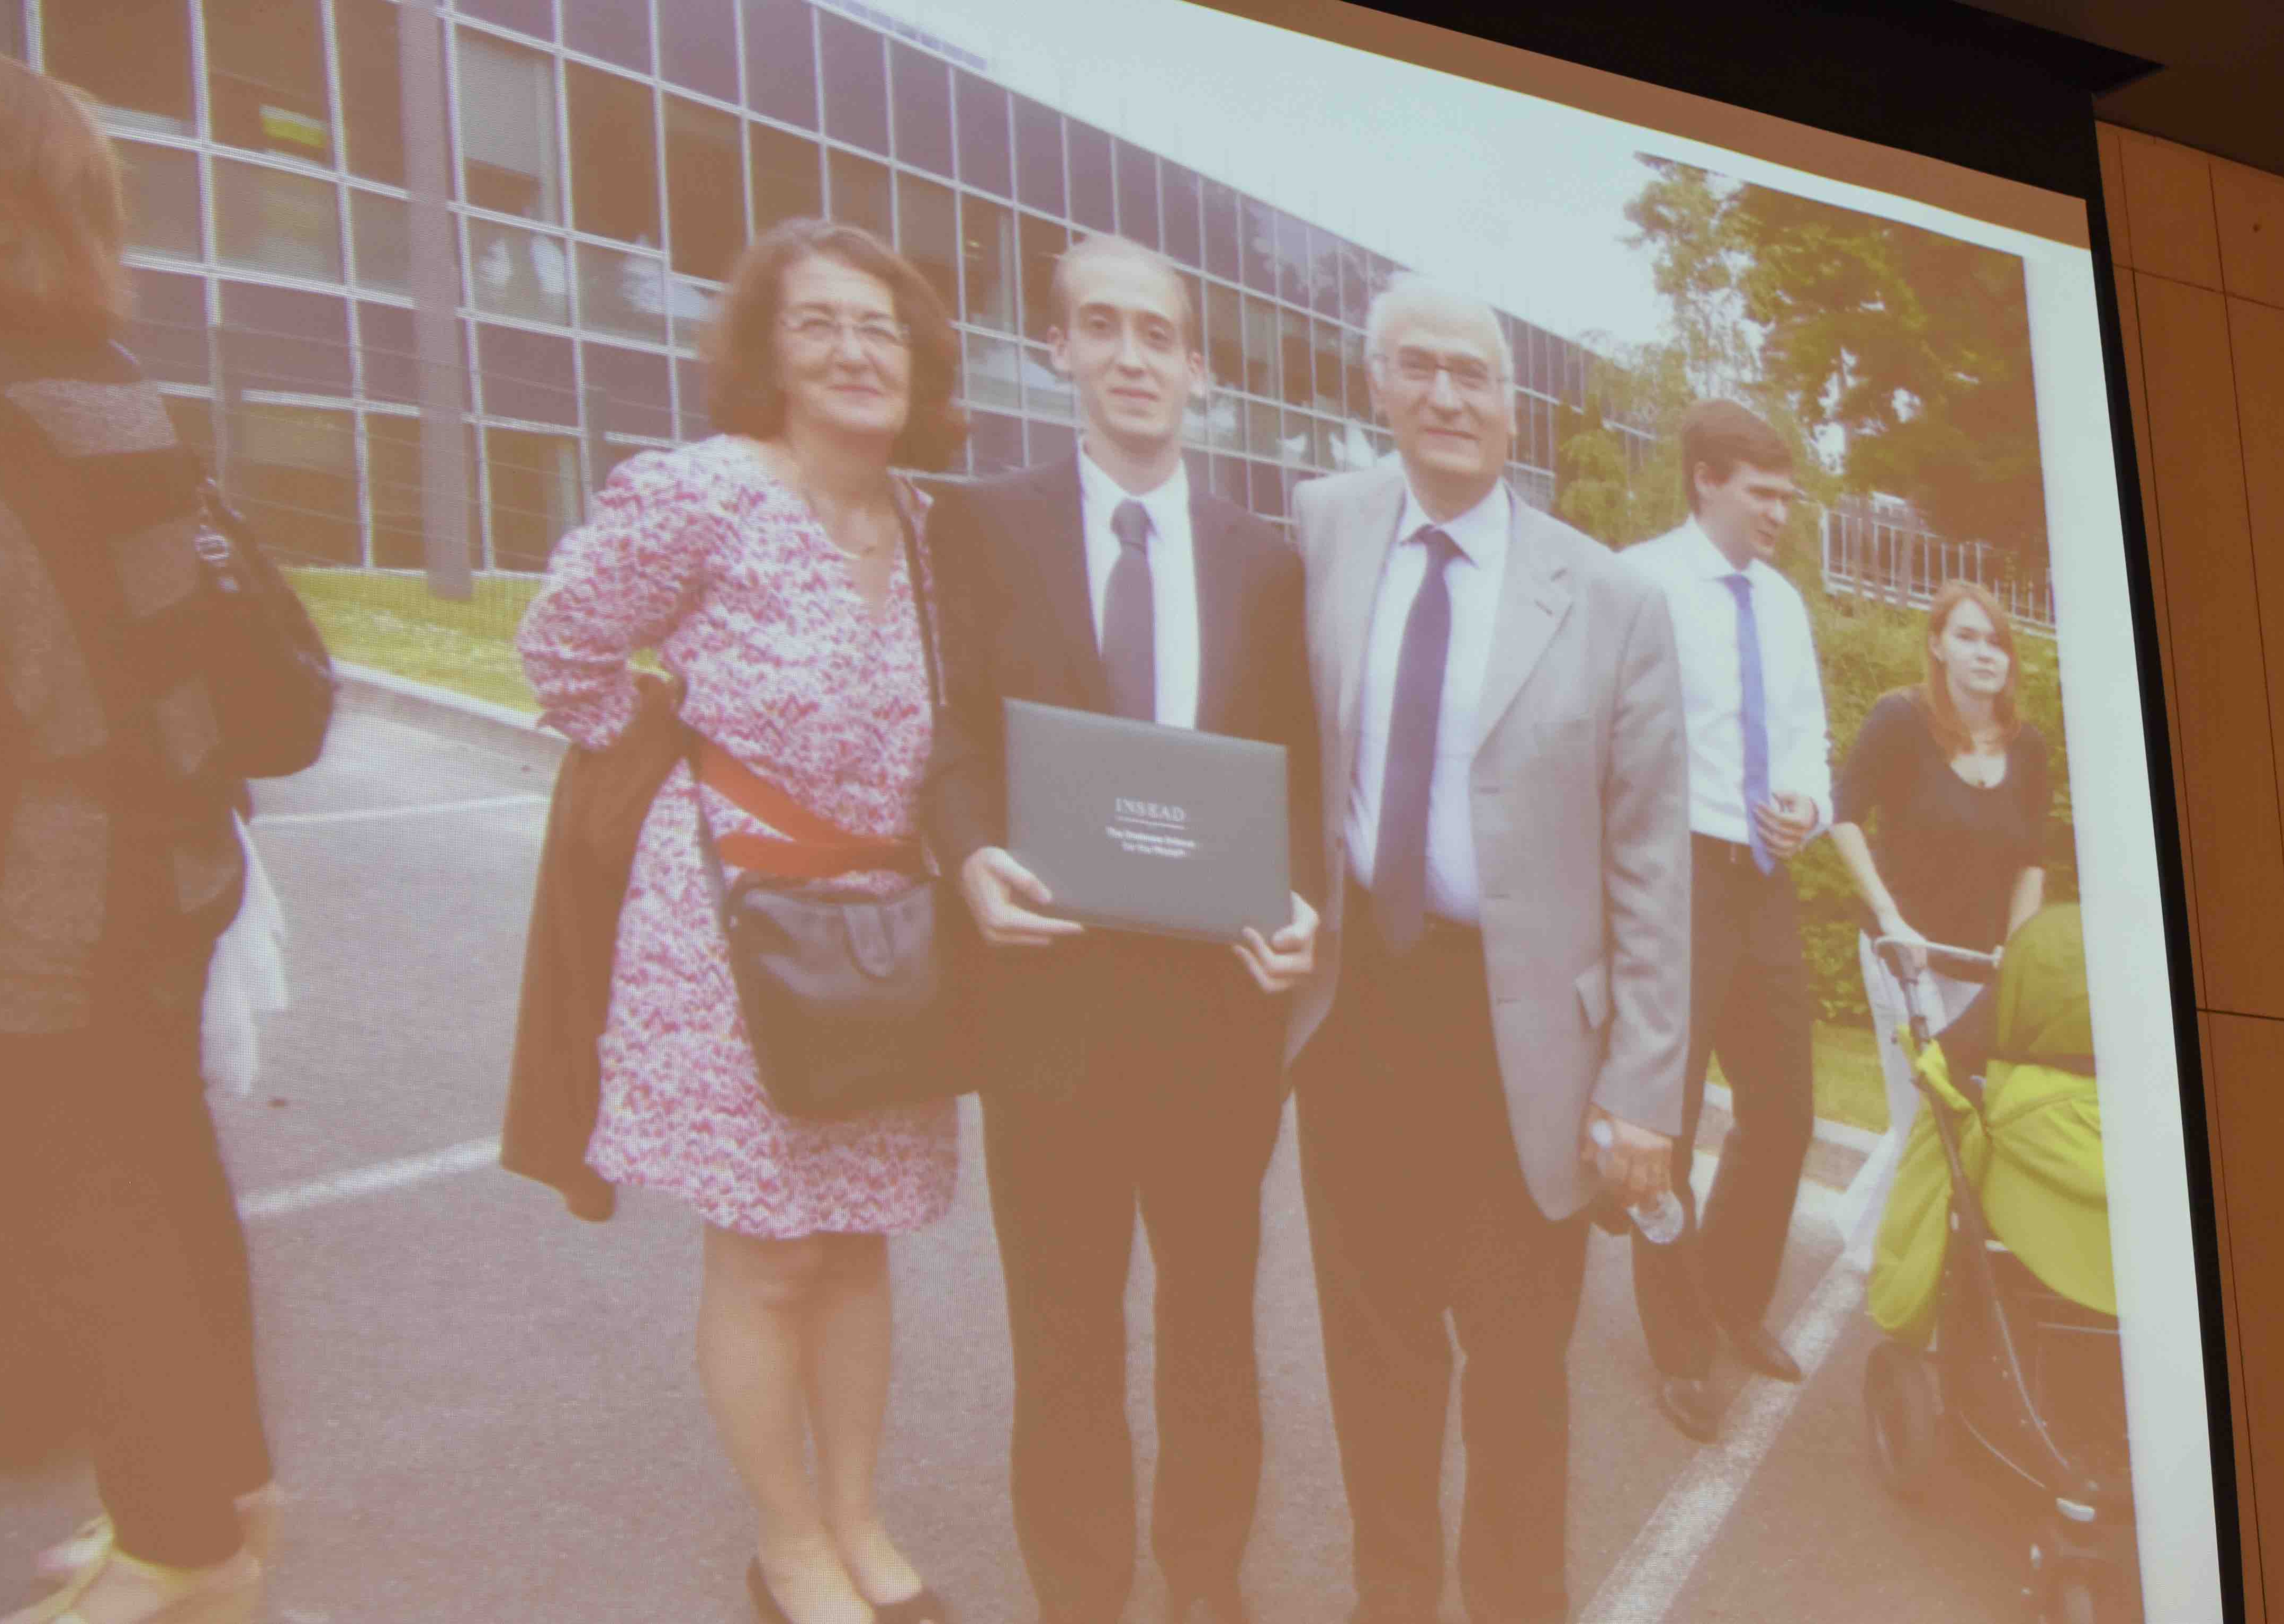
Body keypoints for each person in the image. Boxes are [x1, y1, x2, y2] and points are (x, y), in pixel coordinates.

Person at [515, 219, 966, 1624]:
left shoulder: (931, 525)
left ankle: (858, 1519)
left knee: (858, 1237)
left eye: (880, 326)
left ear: (919, 362)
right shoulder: (703, 494)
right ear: (769, 352)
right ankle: (790, 1546)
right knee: (769, 1253)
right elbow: (564, 648)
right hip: (727, 923)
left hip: (884, 933)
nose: (854, 350)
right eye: (819, 322)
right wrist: (664, 777)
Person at [0, 24, 278, 1624]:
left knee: (88, 1207)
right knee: (161, 1180)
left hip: (28, 892)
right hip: (166, 859)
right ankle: (214, 1502)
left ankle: (177, 1544)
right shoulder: (96, 385)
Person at [922, 232, 1321, 1624]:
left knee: (1212, 1325)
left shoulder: (1266, 563)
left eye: (1159, 334)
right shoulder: (983, 525)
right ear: (1058, 350)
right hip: (1049, 1012)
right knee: (1064, 1334)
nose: (1132, 355)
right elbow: (952, 733)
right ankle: (1081, 1594)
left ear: (1199, 370)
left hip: (1217, 1017)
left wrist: (1301, 900)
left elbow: (1299, 775)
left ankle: (1207, 1583)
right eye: (1102, 326)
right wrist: (968, 854)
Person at [1284, 275, 1689, 1624]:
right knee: (1375, 1357)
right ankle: (1391, 1602)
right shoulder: (1322, 528)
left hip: (1529, 1046)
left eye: (1472, 373)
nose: (1445, 395)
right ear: (1377, 385)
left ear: (1515, 407)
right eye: (1417, 366)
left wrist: (1643, 1087)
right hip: (1358, 1014)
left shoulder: (1611, 599)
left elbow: (1651, 863)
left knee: (1517, 1374)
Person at [1619, 400, 1835, 1443]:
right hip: (1674, 875)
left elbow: (1805, 738)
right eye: (1763, 494)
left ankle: (1732, 1302)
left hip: (1761, 878)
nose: (1779, 514)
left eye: (1788, 497)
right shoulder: (1638, 583)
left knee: (1783, 1108)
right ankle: (1679, 1346)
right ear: (1705, 478)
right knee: (1656, 1121)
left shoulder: (1782, 605)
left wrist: (1807, 804)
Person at [1830, 580, 2050, 1270]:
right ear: (1938, 646)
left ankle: (1865, 1233)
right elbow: (1843, 816)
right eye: (1967, 637)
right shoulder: (1901, 720)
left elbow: (2033, 861)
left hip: (1979, 965)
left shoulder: (2028, 747)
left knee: (1946, 1115)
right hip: (1903, 953)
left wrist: (2016, 950)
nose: (1985, 653)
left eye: (1996, 641)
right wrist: (1891, 919)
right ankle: (1904, 1269)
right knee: (1929, 1115)